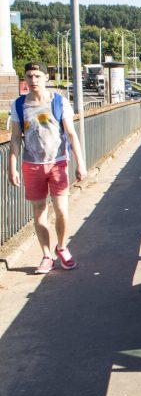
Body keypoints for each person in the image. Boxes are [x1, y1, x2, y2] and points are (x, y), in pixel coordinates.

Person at [7, 61, 87, 274]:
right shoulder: (18, 105)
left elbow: (71, 134)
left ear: (45, 78)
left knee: (62, 211)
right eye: (29, 76)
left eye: (37, 76)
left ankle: (61, 247)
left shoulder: (58, 102)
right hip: (31, 165)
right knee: (39, 212)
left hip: (57, 163)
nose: (33, 80)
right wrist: (12, 167)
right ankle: (46, 255)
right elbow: (15, 137)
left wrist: (81, 164)